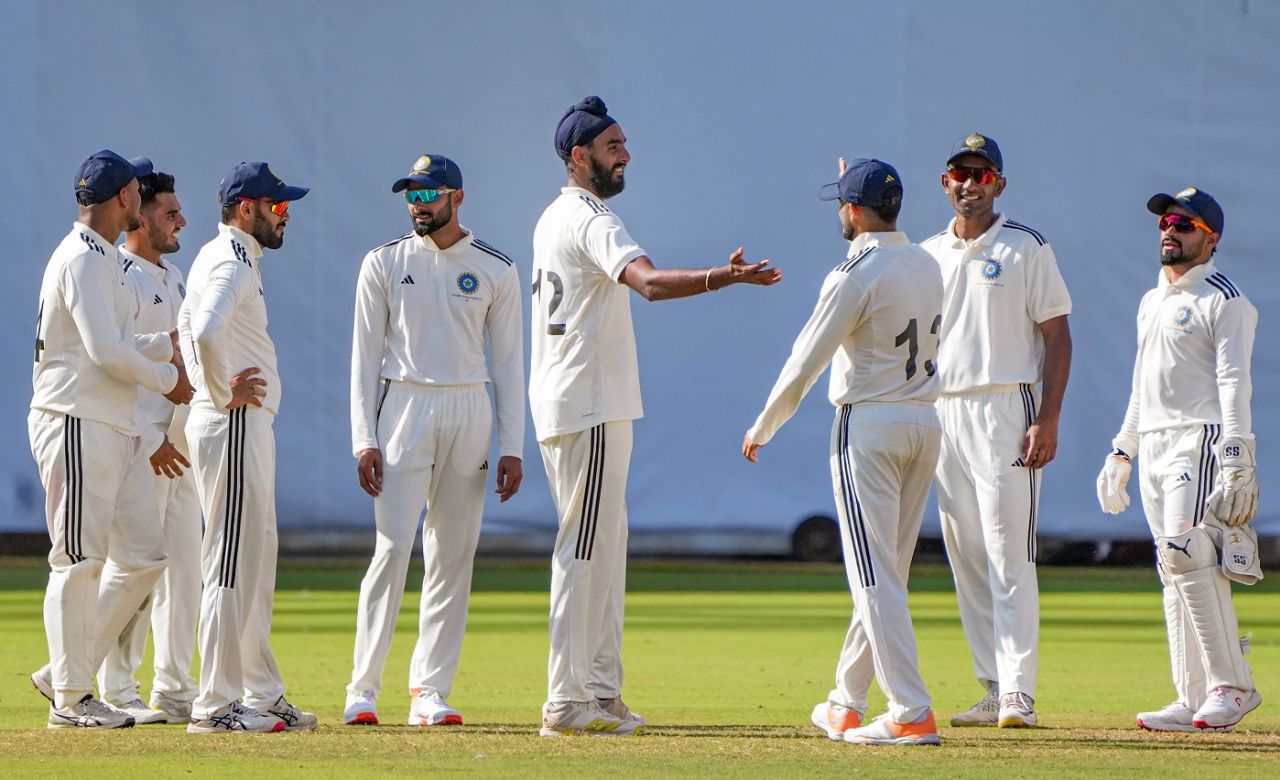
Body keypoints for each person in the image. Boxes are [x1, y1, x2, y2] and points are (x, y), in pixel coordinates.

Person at [530, 96, 782, 737]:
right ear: (579, 156)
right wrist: (723, 277)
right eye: (613, 146)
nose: (626, 155)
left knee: (604, 549)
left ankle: (600, 690)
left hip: (582, 401)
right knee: (583, 550)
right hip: (587, 404)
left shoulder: (555, 214)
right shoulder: (591, 217)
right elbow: (646, 283)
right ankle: (566, 700)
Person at [744, 157, 944, 746]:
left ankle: (910, 710)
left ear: (853, 211)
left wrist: (765, 424)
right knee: (885, 572)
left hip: (870, 427)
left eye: (842, 203)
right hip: (924, 421)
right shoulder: (928, 262)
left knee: (873, 574)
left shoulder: (854, 273)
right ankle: (846, 702)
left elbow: (806, 358)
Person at [343, 154, 525, 727]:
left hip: (469, 406)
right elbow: (363, 357)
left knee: (452, 554)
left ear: (457, 197)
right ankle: (363, 689)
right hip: (403, 404)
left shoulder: (496, 268)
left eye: (428, 194)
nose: (418, 205)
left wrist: (513, 446)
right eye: (411, 196)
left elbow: (509, 365)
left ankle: (430, 691)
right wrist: (363, 439)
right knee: (392, 548)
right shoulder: (384, 262)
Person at [29, 150, 188, 728]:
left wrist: (164, 343)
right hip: (76, 418)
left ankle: (62, 674)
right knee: (77, 560)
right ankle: (72, 699)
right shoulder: (81, 257)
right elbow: (102, 352)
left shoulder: (103, 258)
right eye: (136, 194)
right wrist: (169, 378)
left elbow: (119, 340)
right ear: (124, 198)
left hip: (113, 423)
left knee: (144, 557)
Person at [920, 133, 1072, 728]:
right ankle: (992, 685)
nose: (970, 184)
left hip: (1006, 408)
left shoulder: (1026, 246)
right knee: (967, 557)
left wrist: (1048, 417)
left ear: (999, 184)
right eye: (961, 174)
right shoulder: (927, 253)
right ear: (945, 182)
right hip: (942, 410)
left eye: (981, 175)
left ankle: (1018, 692)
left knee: (1010, 553)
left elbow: (1057, 335)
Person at [1096, 187, 1261, 731]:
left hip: (1200, 437)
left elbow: (1234, 382)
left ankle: (1233, 686)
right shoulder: (1152, 300)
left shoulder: (1225, 299)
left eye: (1185, 225)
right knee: (1171, 567)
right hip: (1156, 442)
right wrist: (1123, 449)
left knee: (1189, 555)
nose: (1170, 230)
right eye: (1166, 222)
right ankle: (1190, 696)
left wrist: (1237, 456)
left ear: (1210, 239)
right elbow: (1143, 384)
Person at [178, 162, 316, 734]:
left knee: (254, 564)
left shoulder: (233, 257)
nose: (285, 216)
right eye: (277, 207)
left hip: (242, 425)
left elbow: (192, 324)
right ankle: (214, 705)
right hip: (232, 424)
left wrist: (211, 391)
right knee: (230, 564)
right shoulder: (231, 260)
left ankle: (261, 691)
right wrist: (219, 393)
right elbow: (205, 330)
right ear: (246, 210)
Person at [95, 170, 202, 725]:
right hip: (144, 444)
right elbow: (111, 362)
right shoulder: (118, 274)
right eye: (169, 213)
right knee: (137, 569)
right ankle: (116, 687)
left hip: (182, 443)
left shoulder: (175, 274)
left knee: (185, 572)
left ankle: (175, 686)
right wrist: (150, 434)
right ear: (139, 218)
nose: (181, 221)